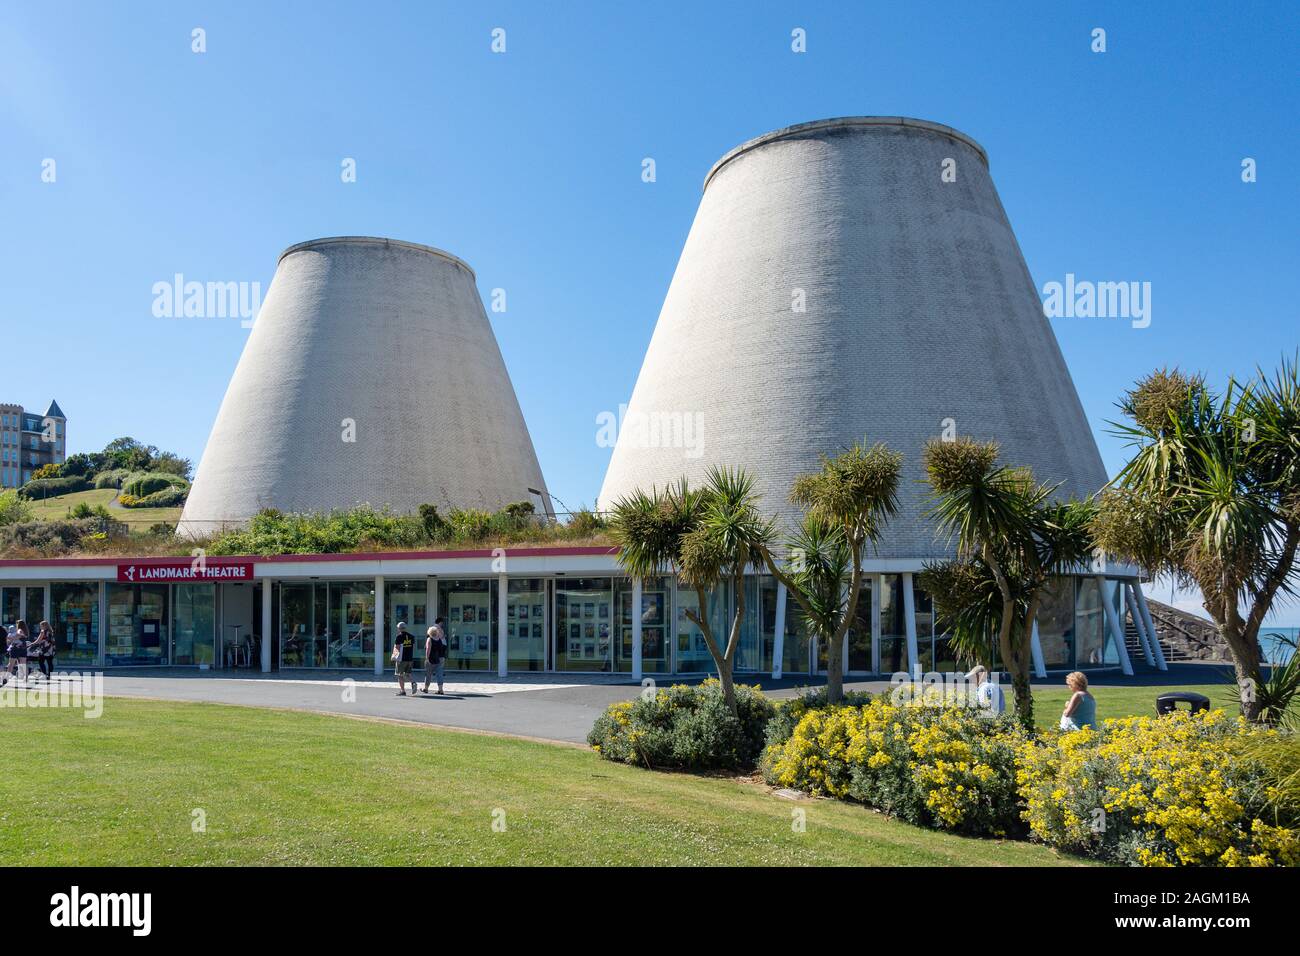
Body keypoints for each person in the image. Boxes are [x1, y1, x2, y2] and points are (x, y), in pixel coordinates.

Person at [422, 617, 448, 695]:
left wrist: (427, 658)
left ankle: (426, 688)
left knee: (428, 673)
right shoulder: (439, 639)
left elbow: (428, 649)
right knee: (439, 673)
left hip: (431, 658)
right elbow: (441, 648)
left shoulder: (429, 639)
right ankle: (440, 689)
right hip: (440, 658)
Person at [393, 622, 416, 696]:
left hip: (401, 659)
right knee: (408, 674)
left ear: (399, 628)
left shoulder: (399, 637)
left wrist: (394, 656)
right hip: (409, 658)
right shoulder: (411, 636)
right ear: (405, 628)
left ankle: (403, 691)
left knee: (400, 675)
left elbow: (397, 648)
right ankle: (413, 682)